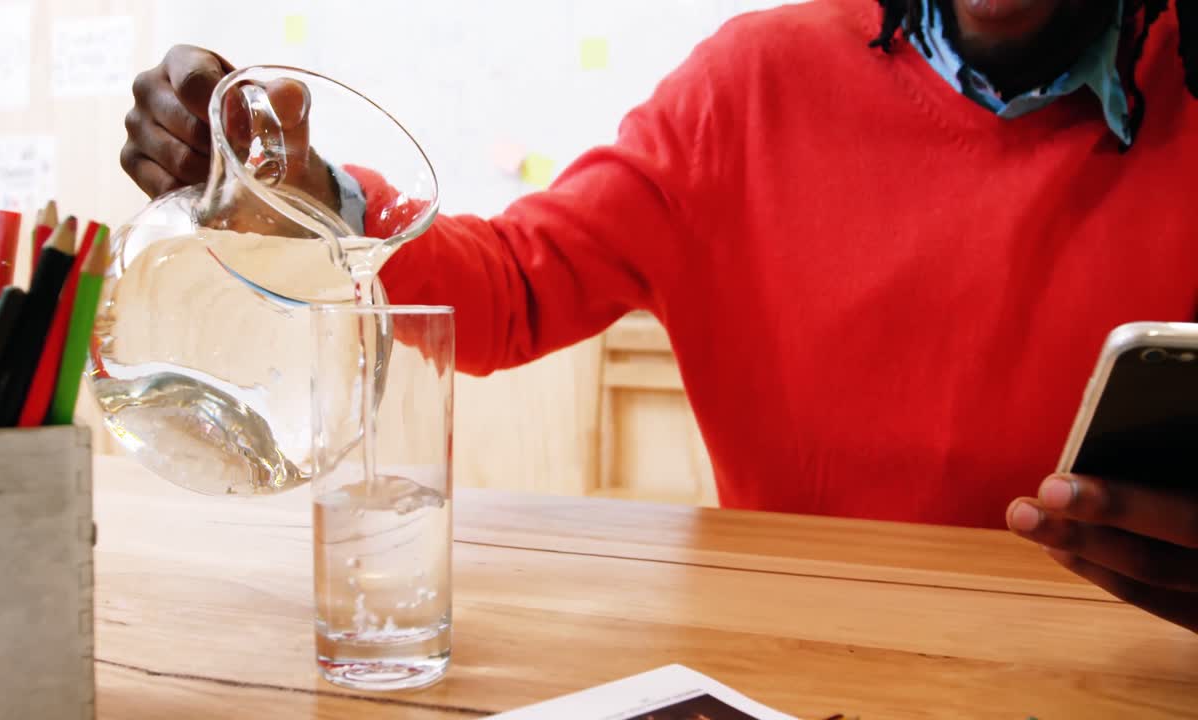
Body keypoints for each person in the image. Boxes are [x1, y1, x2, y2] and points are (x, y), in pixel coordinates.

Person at [122, 0, 1198, 633]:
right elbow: (514, 287)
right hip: (789, 658)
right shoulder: (747, 86)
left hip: (1112, 658)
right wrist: (300, 184)